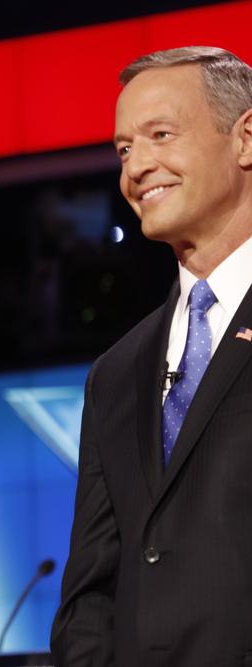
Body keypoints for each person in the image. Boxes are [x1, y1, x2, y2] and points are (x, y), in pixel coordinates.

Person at [52, 47, 252, 665]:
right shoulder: (116, 372)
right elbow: (91, 591)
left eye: (160, 135)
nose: (137, 167)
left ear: (246, 139)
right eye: (123, 150)